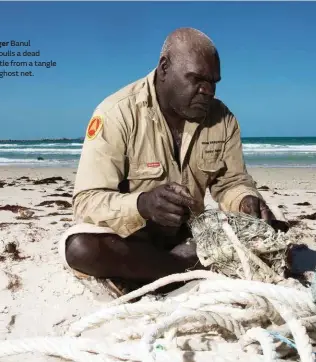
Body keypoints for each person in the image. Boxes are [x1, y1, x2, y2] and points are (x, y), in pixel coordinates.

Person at [59, 27, 285, 296]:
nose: (207, 91)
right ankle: (184, 266)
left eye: (213, 82)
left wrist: (246, 200)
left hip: (191, 234)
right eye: (197, 79)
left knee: (275, 227)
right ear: (164, 68)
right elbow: (86, 201)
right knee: (80, 249)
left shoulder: (223, 119)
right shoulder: (116, 113)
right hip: (134, 238)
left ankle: (158, 272)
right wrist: (143, 204)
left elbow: (231, 182)